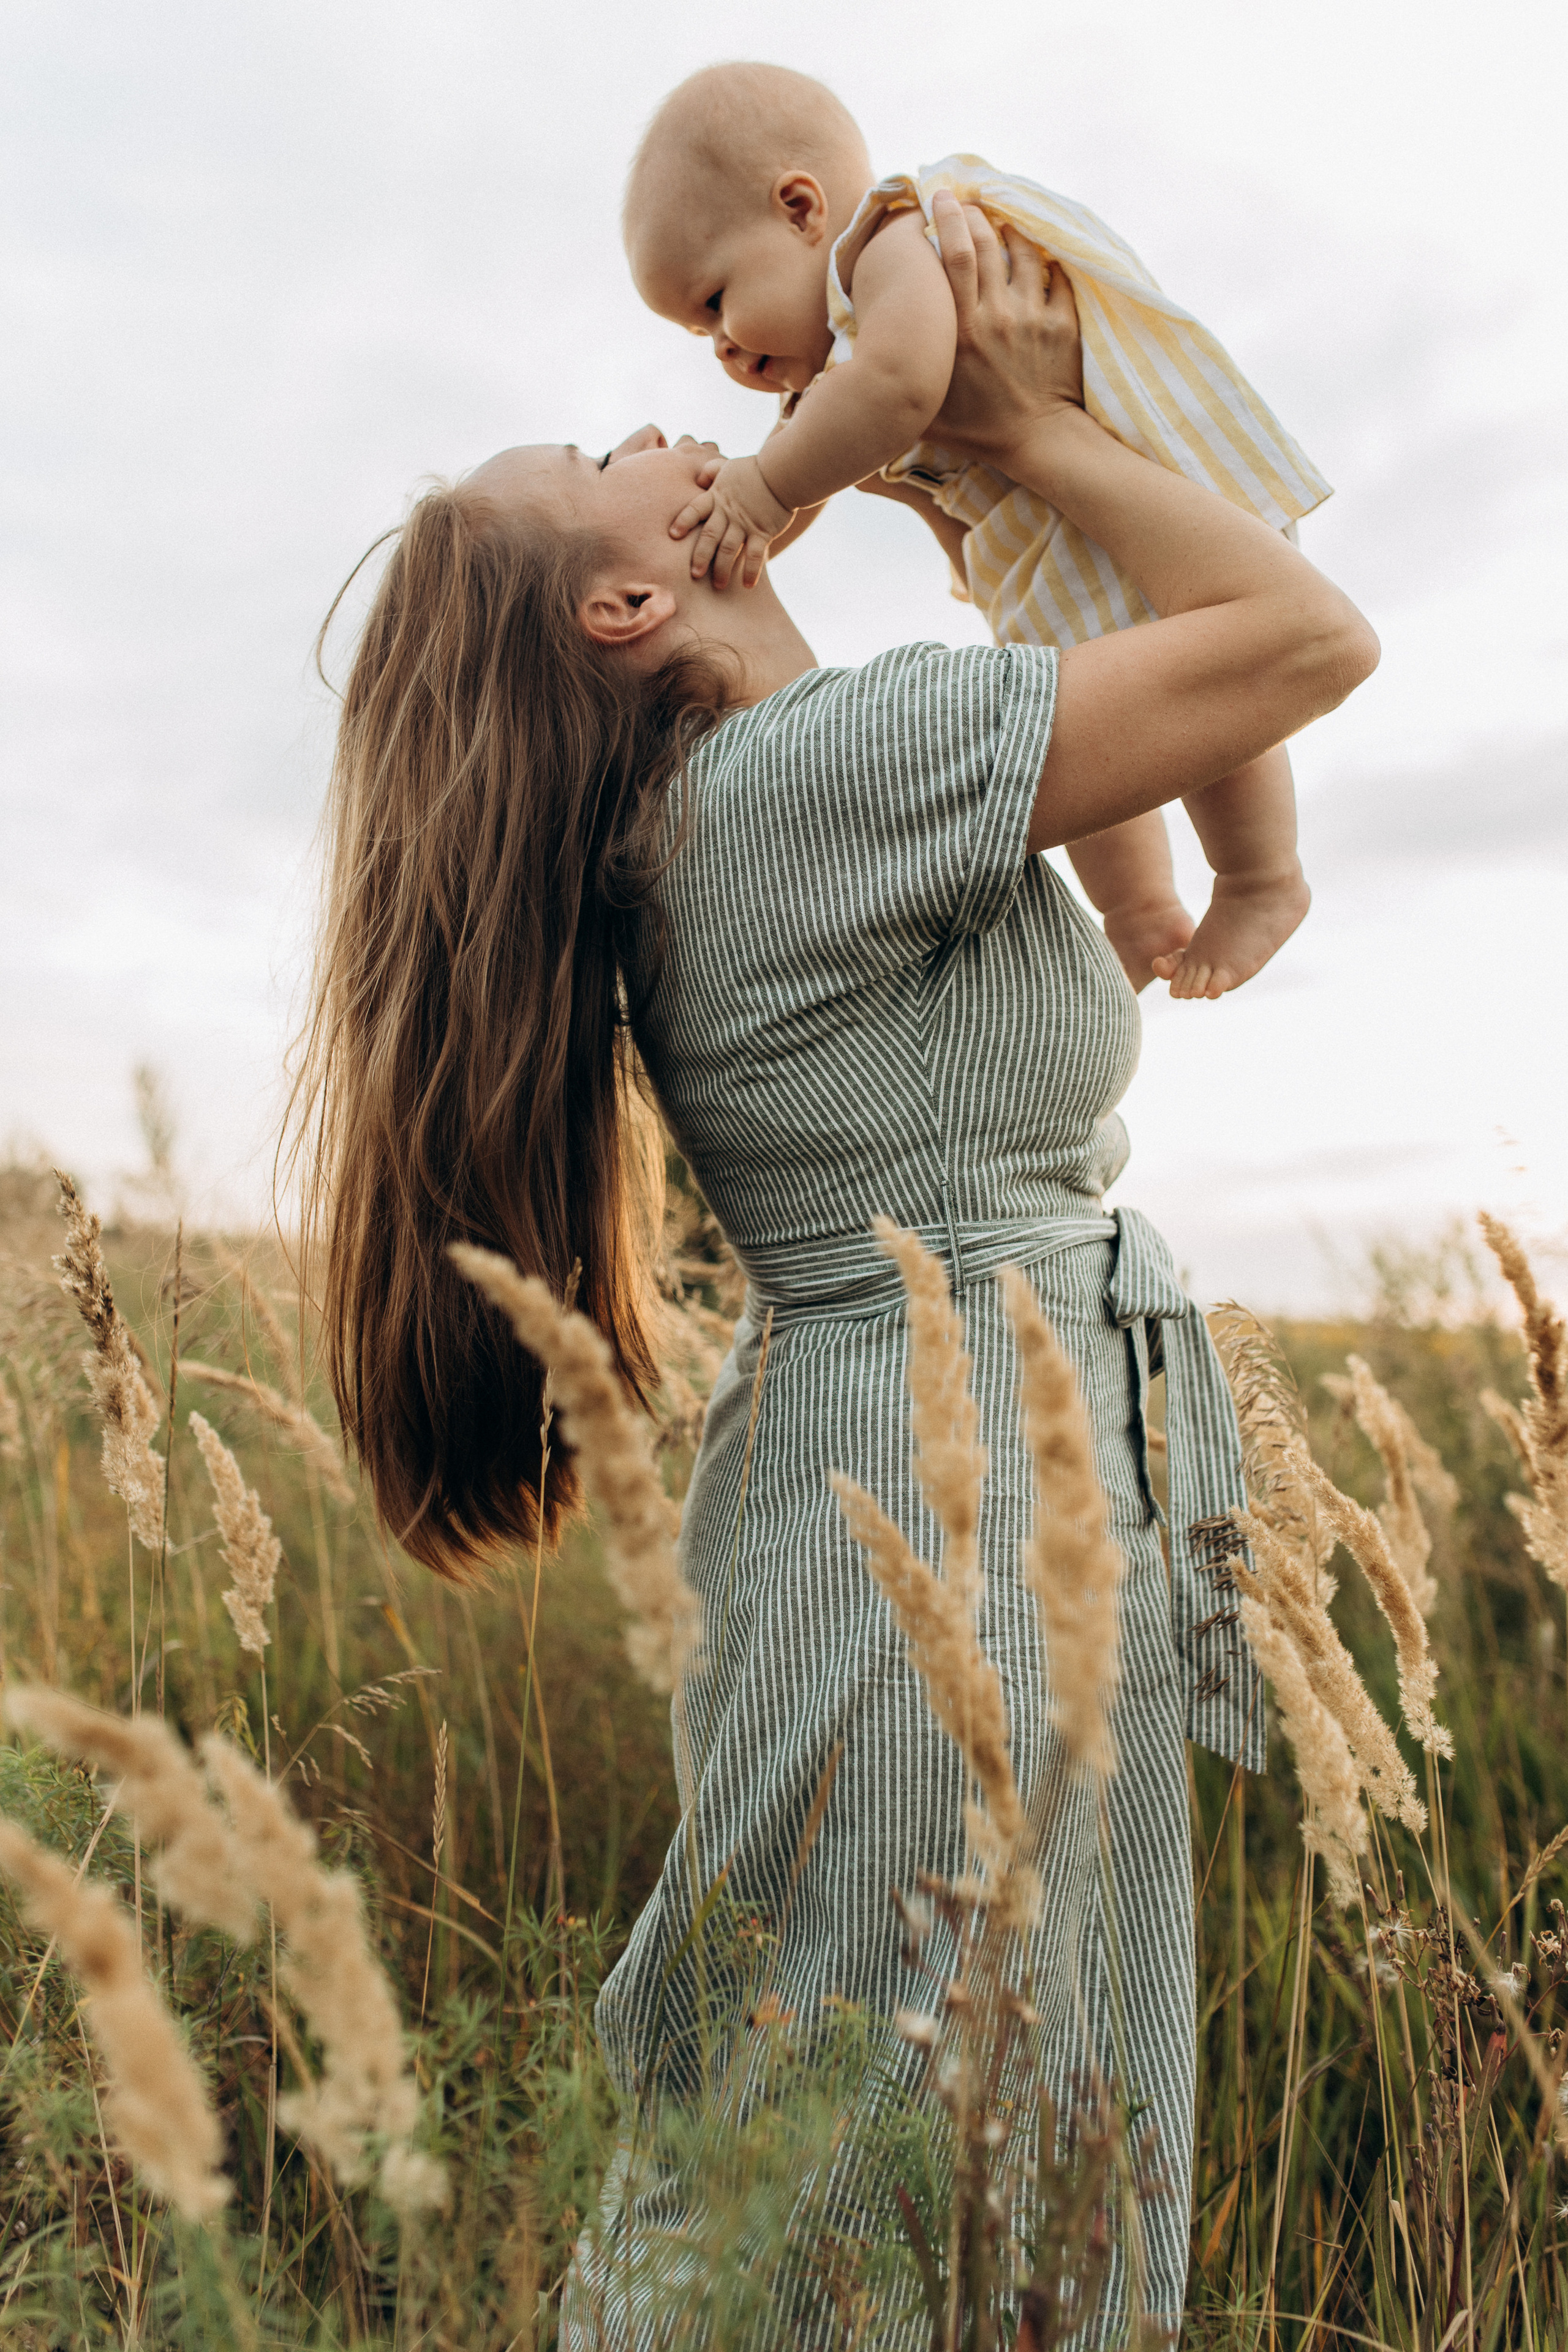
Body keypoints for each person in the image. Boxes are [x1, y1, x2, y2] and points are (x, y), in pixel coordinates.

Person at [291, 200, 1376, 2344]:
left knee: (915, 2166)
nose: (673, 426)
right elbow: (1303, 634)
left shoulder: (769, 797)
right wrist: (1019, 423)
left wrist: (954, 492)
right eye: (614, 443)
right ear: (629, 596)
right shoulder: (809, 777)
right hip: (948, 1529)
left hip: (930, 1491)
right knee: (887, 2194)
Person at [624, 61, 1329, 1002]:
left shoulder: (889, 240)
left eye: (714, 301)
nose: (721, 347)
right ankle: (1136, 913)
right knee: (1064, 722)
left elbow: (902, 387)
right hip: (1061, 542)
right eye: (696, 335)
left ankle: (1260, 878)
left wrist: (759, 492)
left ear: (799, 209)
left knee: (1217, 703)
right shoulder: (829, 369)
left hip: (1142, 486)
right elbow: (797, 484)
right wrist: (730, 526)